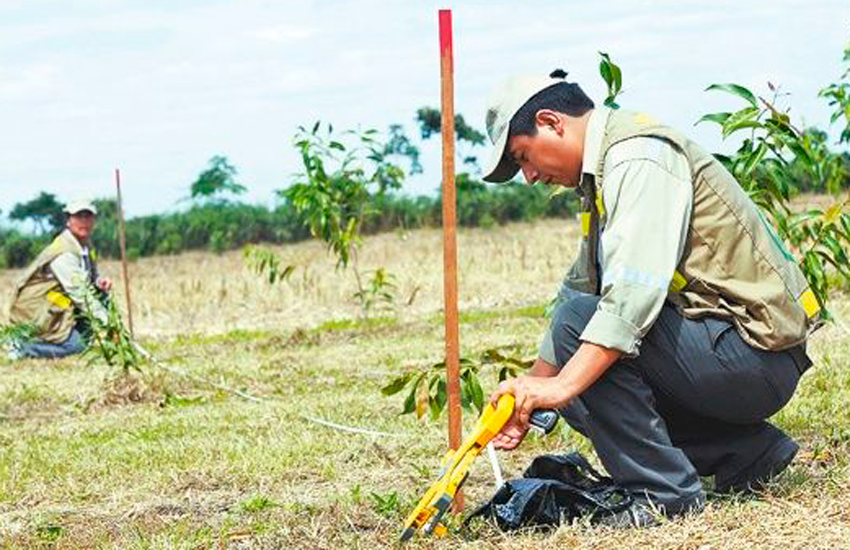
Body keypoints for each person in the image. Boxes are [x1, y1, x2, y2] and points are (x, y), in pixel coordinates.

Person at [483, 71, 819, 526]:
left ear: (552, 122)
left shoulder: (637, 156)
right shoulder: (604, 171)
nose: (529, 177)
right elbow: (580, 290)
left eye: (523, 157)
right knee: (575, 345)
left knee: (580, 344)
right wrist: (528, 397)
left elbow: (629, 298)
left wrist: (559, 386)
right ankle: (747, 455)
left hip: (755, 355)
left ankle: (664, 495)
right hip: (728, 351)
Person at [5, 199, 112, 359]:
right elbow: (80, 293)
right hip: (38, 307)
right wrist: (109, 323)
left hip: (60, 302)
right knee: (77, 346)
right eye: (78, 217)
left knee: (101, 295)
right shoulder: (64, 252)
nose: (84, 221)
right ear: (68, 221)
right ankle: (25, 348)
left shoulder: (85, 245)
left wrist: (98, 282)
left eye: (88, 216)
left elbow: (89, 276)